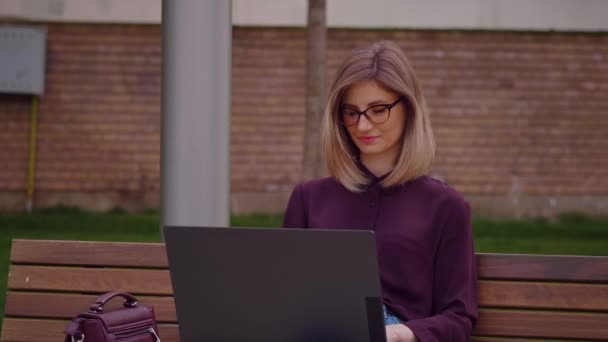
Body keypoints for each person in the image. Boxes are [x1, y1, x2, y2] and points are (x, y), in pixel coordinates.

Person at [283, 40, 478, 342]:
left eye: (378, 109)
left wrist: (400, 334)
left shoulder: (446, 207)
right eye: (351, 112)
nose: (362, 125)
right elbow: (285, 298)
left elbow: (459, 317)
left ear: (409, 108)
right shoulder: (308, 199)